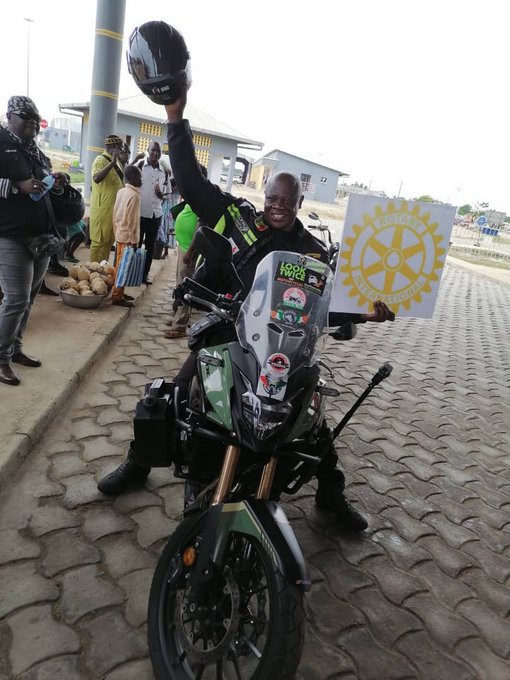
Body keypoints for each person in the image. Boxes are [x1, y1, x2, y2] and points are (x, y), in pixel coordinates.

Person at [97, 93, 395, 532]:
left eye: (286, 202)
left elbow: (330, 308)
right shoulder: (239, 218)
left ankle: (332, 497)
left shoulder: (312, 253)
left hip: (282, 351)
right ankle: (138, 461)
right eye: (272, 197)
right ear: (265, 194)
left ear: (297, 204)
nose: (277, 206)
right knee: (177, 393)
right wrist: (175, 118)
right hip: (227, 331)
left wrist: (364, 313)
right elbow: (193, 183)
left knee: (313, 422)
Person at [0, 96, 53, 386]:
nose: (33, 122)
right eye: (27, 116)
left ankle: (15, 348)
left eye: (36, 118)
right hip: (10, 235)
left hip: (39, 237)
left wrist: (53, 178)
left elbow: (42, 175)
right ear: (10, 116)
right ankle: (1, 359)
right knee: (16, 299)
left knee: (29, 299)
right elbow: (17, 186)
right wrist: (15, 187)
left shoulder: (33, 149)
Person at [164, 164, 208, 339]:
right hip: (183, 245)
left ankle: (181, 325)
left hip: (190, 248)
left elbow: (201, 224)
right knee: (180, 284)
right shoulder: (195, 193)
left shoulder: (203, 197)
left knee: (185, 285)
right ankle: (177, 317)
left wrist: (191, 250)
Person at [89, 134, 124, 263]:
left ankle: (101, 273)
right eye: (120, 148)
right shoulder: (100, 160)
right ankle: (93, 273)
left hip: (112, 212)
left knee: (108, 243)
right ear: (113, 147)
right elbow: (96, 178)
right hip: (102, 212)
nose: (121, 151)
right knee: (99, 244)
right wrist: (113, 163)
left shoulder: (118, 163)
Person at [111, 165, 142, 308]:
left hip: (119, 234)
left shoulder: (121, 191)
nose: (142, 180)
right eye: (140, 177)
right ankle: (117, 297)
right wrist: (135, 241)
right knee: (122, 268)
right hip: (128, 238)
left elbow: (115, 214)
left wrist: (116, 231)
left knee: (119, 266)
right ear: (134, 178)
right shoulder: (134, 195)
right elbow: (133, 222)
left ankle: (120, 292)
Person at [136, 141, 166, 284]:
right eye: (153, 150)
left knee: (150, 246)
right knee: (136, 244)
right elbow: (129, 182)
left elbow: (165, 196)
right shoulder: (140, 166)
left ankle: (144, 275)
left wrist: (160, 194)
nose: (155, 153)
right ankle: (134, 274)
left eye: (158, 151)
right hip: (141, 213)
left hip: (156, 215)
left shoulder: (164, 171)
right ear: (148, 150)